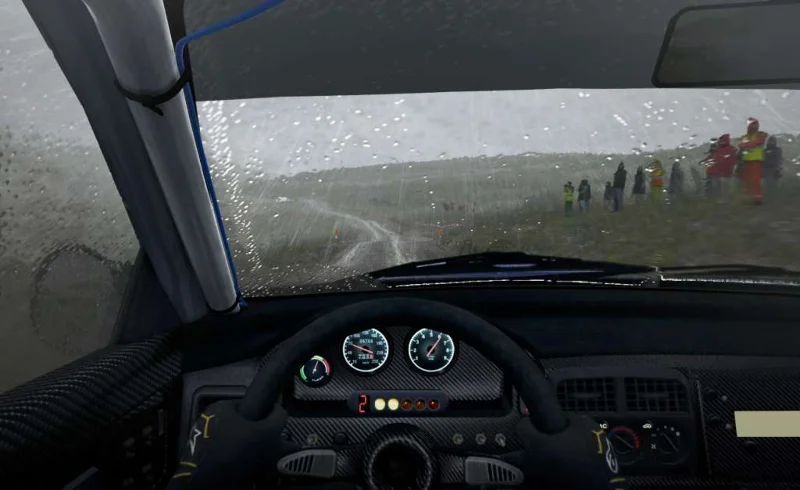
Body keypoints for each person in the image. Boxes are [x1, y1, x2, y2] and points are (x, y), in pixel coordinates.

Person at [737, 117, 768, 204]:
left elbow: (758, 142)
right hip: (746, 161)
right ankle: (749, 197)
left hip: (756, 160)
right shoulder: (745, 136)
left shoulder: (761, 135)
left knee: (755, 179)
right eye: (751, 124)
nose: (753, 126)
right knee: (746, 179)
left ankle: (757, 198)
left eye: (755, 124)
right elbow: (741, 148)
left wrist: (744, 145)